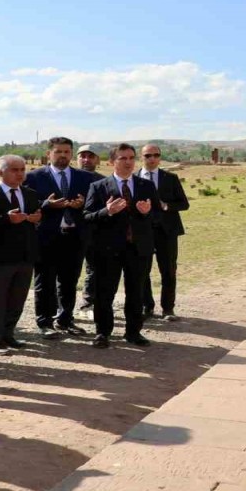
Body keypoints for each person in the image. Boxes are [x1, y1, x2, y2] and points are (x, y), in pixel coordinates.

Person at [83, 144, 159, 349]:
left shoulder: (146, 186)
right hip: (108, 250)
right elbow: (87, 217)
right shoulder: (98, 187)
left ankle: (133, 332)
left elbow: (157, 217)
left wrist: (146, 213)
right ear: (111, 162)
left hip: (138, 248)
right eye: (122, 158)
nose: (128, 162)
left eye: (131, 158)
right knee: (104, 293)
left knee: (136, 292)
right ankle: (102, 333)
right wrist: (106, 211)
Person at [24, 137, 96, 338]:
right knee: (44, 281)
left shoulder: (85, 177)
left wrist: (82, 205)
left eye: (66, 151)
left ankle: (65, 320)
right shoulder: (34, 177)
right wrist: (47, 204)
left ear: (71, 154)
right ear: (49, 154)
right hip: (46, 236)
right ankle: (44, 322)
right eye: (58, 151)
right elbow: (28, 203)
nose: (63, 155)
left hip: (75, 236)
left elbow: (93, 204)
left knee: (69, 281)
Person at [0, 155, 43, 353]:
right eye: (14, 170)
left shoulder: (30, 194)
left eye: (22, 169)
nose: (20, 174)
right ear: (0, 172)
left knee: (17, 299)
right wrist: (6, 220)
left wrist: (36, 218)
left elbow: (33, 218)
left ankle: (8, 334)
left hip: (24, 256)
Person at [138, 143, 189, 321]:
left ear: (160, 157)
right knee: (142, 271)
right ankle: (147, 306)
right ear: (141, 157)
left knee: (168, 270)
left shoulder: (170, 178)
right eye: (148, 156)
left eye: (155, 155)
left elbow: (184, 204)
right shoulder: (133, 179)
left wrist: (167, 206)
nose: (152, 159)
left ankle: (168, 308)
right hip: (142, 232)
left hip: (167, 232)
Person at [76, 144, 102, 312]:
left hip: (95, 231)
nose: (86, 160)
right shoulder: (70, 177)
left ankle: (88, 301)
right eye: (82, 156)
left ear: (97, 160)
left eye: (90, 156)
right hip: (70, 231)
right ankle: (60, 307)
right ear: (76, 159)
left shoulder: (103, 180)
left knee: (94, 268)